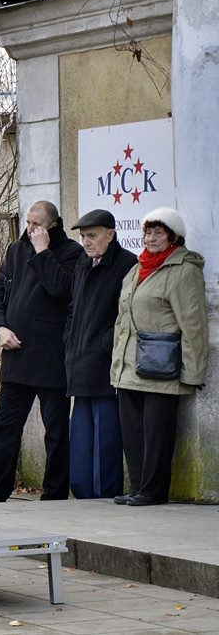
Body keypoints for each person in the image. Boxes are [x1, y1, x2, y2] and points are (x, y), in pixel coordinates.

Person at [0, 201, 82, 503]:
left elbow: (60, 288)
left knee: (56, 432)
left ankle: (55, 494)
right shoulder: (15, 250)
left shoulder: (71, 253)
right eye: (28, 222)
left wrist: (42, 251)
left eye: (37, 224)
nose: (31, 229)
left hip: (51, 358)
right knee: (5, 429)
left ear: (53, 225)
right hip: (16, 355)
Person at [111, 207, 207, 506]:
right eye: (148, 233)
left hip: (162, 366)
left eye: (158, 233)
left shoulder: (184, 270)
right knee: (133, 432)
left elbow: (194, 325)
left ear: (173, 237)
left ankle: (153, 490)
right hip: (129, 366)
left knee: (156, 434)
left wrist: (193, 373)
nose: (151, 238)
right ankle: (137, 486)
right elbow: (122, 319)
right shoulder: (138, 268)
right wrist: (117, 365)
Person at [64, 209, 138, 499]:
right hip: (80, 362)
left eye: (92, 236)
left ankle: (104, 496)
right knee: (81, 439)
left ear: (110, 235)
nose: (86, 242)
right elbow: (73, 308)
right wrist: (70, 340)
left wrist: (102, 345)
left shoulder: (127, 264)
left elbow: (127, 316)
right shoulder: (83, 263)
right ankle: (83, 494)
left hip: (107, 364)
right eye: (83, 236)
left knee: (105, 438)